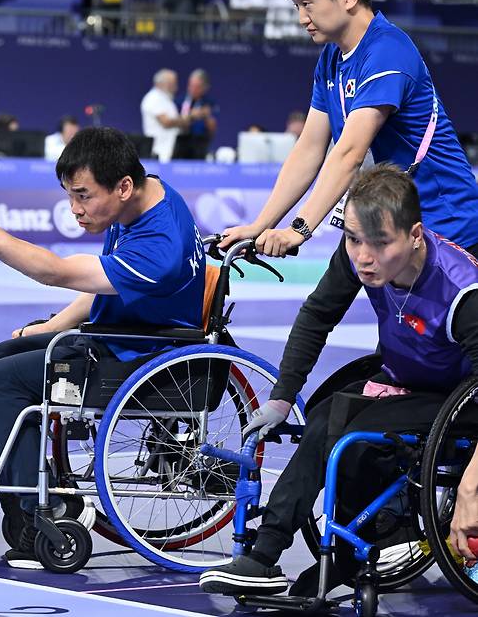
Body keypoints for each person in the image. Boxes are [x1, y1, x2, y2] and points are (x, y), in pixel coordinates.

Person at [200, 164, 478, 596]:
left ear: (415, 235)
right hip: (401, 379)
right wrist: (281, 397)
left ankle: (351, 555)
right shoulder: (359, 256)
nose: (363, 256)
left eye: (380, 243)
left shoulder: (463, 291)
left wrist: (470, 487)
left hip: (461, 397)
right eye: (353, 239)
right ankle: (262, 557)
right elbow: (317, 315)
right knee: (323, 417)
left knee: (357, 434)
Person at [0, 127, 205, 568]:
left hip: (139, 357)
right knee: (7, 352)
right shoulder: (150, 193)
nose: (75, 210)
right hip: (123, 334)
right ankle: (29, 488)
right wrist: (53, 324)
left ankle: (39, 513)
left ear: (122, 186)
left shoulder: (159, 250)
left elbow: (58, 272)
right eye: (69, 196)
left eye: (83, 196)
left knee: (0, 381)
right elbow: (107, 283)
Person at [221, 0, 478, 258]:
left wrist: (299, 229)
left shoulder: (387, 52)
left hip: (447, 228)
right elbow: (309, 148)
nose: (302, 18)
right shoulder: (332, 58)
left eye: (307, 3)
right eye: (296, 6)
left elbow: (349, 152)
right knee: (322, 307)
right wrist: (260, 224)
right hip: (382, 223)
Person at [140, 69, 191, 162]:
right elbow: (166, 122)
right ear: (161, 83)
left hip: (171, 152)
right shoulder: (153, 98)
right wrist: (189, 117)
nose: (176, 87)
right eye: (172, 83)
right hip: (160, 153)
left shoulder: (166, 99)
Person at [173, 69, 219, 160]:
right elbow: (173, 121)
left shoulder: (209, 103)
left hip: (200, 142)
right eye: (191, 85)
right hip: (180, 141)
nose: (193, 89)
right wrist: (191, 116)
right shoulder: (179, 100)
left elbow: (213, 128)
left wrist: (205, 116)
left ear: (205, 88)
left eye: (197, 87)